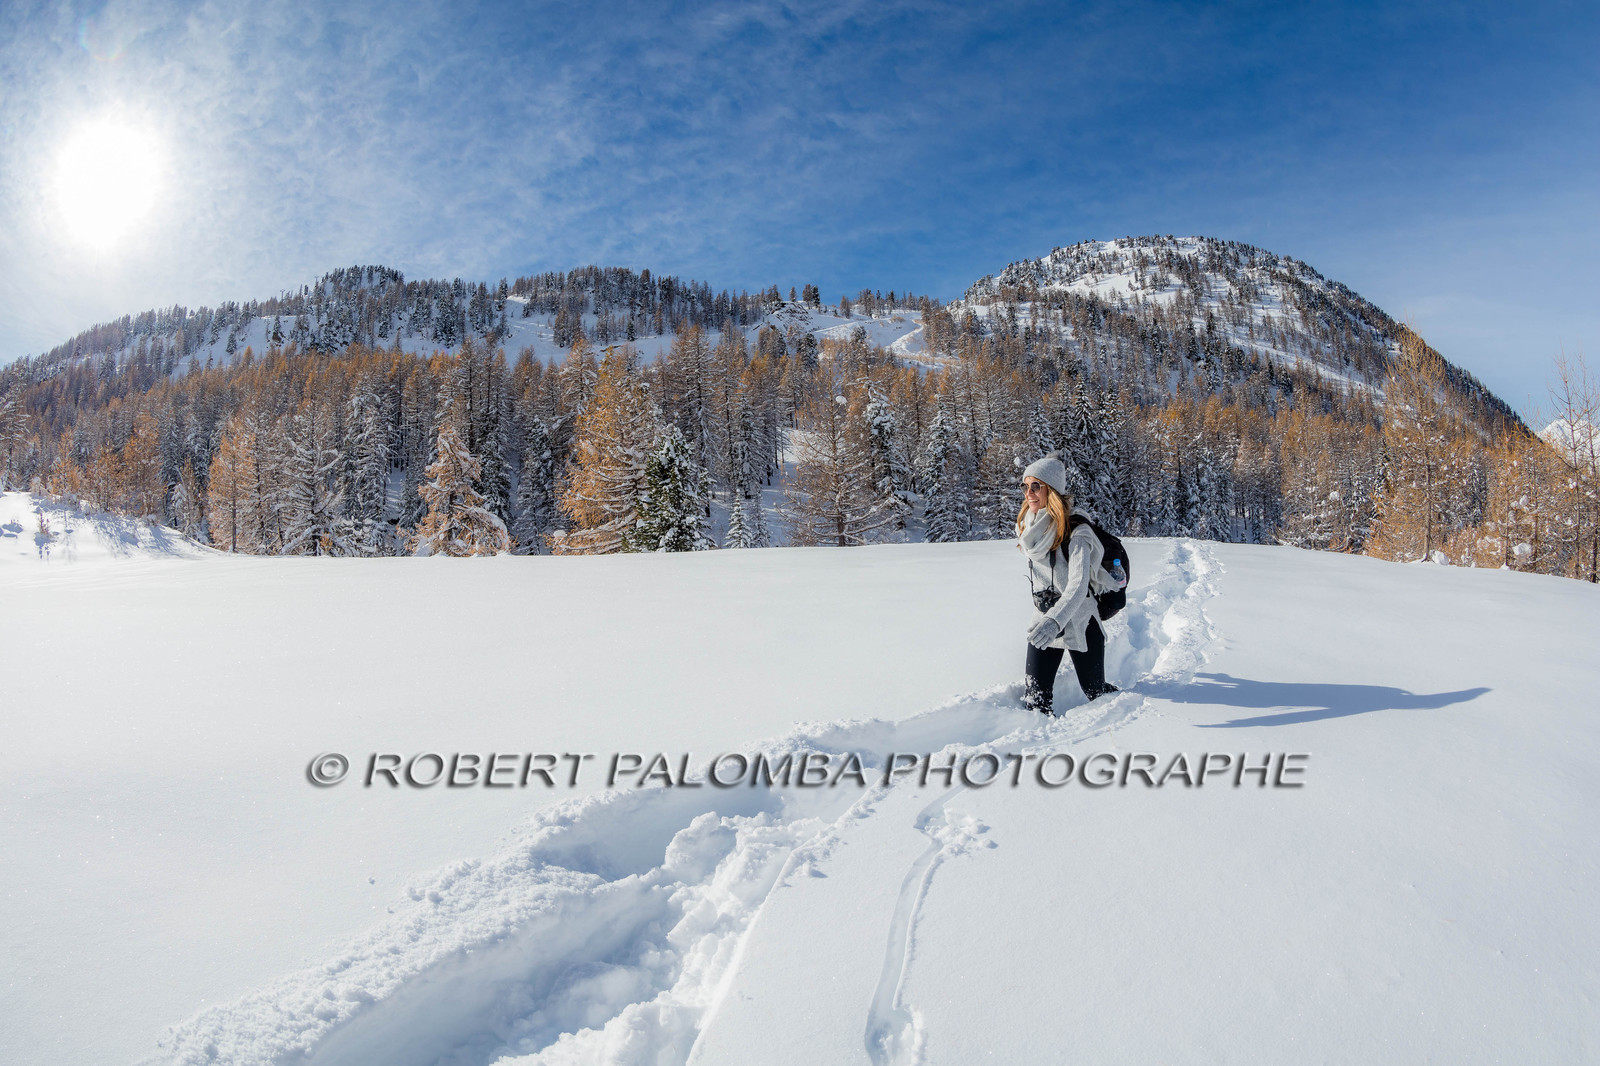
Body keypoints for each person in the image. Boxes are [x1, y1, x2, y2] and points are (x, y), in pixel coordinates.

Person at [1017, 456, 1118, 715]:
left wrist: (1055, 621)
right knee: (1035, 701)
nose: (1029, 493)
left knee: (1096, 691)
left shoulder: (1077, 532)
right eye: (1025, 485)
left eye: (1036, 486)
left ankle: (1131, 715)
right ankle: (1036, 739)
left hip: (1080, 620)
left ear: (1051, 489)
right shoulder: (1029, 528)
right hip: (1045, 619)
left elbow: (1078, 585)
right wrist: (1048, 620)